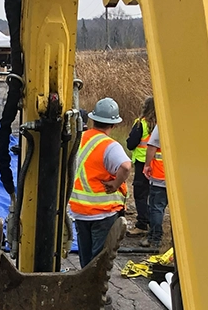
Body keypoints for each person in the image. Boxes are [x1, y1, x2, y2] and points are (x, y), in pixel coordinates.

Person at [69, 97, 131, 275]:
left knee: (86, 255)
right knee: (99, 257)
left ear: (93, 119)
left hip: (80, 210)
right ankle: (94, 294)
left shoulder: (79, 138)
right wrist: (115, 183)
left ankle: (84, 286)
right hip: (102, 213)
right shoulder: (110, 146)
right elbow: (126, 166)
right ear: (113, 124)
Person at [124, 96, 156, 239]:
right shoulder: (161, 124)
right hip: (158, 164)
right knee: (154, 195)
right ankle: (154, 224)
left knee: (140, 194)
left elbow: (131, 144)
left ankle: (142, 224)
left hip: (142, 163)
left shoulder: (140, 124)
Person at [143, 123, 167, 251]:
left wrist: (147, 165)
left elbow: (152, 146)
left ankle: (155, 238)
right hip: (179, 177)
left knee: (156, 207)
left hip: (160, 174)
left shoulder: (163, 123)